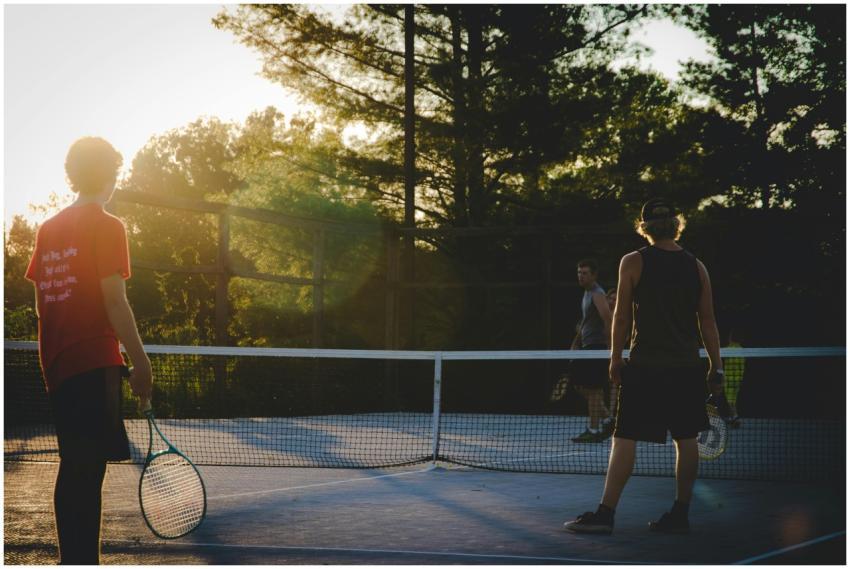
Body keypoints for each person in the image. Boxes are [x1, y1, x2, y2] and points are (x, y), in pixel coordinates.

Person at [564, 198, 728, 535]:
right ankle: (680, 514)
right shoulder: (698, 267)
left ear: (645, 227)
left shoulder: (633, 261)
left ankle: (606, 513)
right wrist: (716, 367)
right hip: (685, 367)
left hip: (646, 367)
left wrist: (614, 357)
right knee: (686, 439)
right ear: (675, 225)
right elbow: (708, 322)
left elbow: (622, 316)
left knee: (624, 437)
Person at [25, 137, 152, 564]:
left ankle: (73, 560)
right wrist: (141, 360)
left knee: (72, 463)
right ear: (112, 175)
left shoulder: (48, 229)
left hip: (59, 364)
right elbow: (115, 301)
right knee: (89, 467)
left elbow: (42, 306)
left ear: (72, 174)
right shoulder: (108, 225)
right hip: (95, 361)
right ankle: (84, 563)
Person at [569, 259, 614, 443]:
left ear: (594, 275)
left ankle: (594, 430)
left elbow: (608, 319)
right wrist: (575, 343)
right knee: (581, 386)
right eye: (579, 272)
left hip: (597, 348)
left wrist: (611, 349)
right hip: (587, 348)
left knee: (594, 390)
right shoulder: (587, 294)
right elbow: (585, 323)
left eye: (585, 273)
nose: (581, 276)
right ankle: (609, 420)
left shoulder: (597, 293)